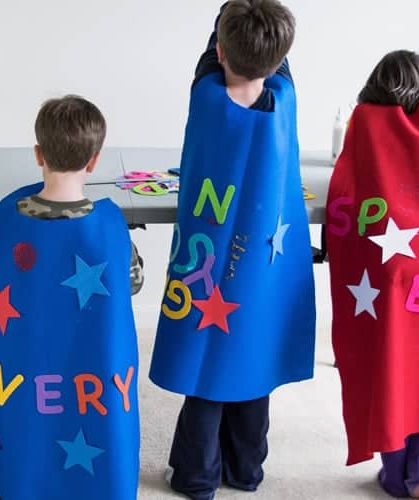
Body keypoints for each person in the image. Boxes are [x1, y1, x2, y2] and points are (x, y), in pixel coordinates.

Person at [149, 2, 316, 499]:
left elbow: (216, 54)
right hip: (263, 269)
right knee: (252, 358)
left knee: (206, 366)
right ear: (280, 56)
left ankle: (197, 478)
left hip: (209, 267)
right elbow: (274, 58)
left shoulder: (206, 97)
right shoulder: (285, 99)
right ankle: (245, 471)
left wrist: (228, 14)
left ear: (220, 49)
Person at [0, 95, 140, 500]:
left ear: (38, 154)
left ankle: (20, 483)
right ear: (94, 161)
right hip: (92, 367)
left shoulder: (6, 218)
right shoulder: (111, 224)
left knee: (29, 418)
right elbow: (131, 283)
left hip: (26, 364)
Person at [326, 50, 419, 500]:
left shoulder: (367, 121)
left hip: (392, 269)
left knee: (391, 363)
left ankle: (395, 472)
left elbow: (345, 192)